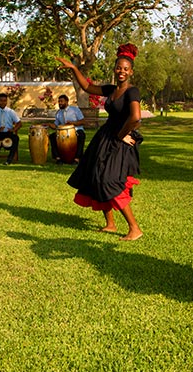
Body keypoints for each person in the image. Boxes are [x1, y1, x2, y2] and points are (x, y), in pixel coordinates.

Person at [56, 44, 143, 241]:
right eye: (119, 67)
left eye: (126, 69)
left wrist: (121, 134)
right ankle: (110, 224)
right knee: (95, 175)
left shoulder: (132, 91)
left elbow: (135, 117)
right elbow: (87, 87)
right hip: (104, 138)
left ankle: (134, 228)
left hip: (119, 140)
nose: (122, 71)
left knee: (110, 181)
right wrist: (74, 68)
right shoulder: (111, 90)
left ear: (131, 72)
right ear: (115, 69)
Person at [47, 94, 86, 164]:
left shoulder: (75, 110)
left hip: (76, 130)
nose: (60, 103)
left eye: (62, 101)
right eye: (59, 101)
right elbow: (56, 126)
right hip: (63, 132)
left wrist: (72, 123)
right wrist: (49, 124)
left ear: (67, 101)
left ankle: (77, 158)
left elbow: (83, 121)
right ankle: (58, 158)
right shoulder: (59, 113)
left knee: (81, 135)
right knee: (52, 136)